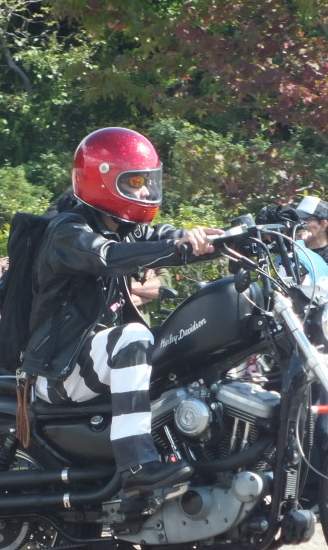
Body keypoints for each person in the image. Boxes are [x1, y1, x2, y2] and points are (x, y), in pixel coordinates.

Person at [27, 127, 222, 494]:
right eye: (135, 182)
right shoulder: (68, 231)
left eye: (148, 182)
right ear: (101, 180)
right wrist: (178, 248)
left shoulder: (126, 228)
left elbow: (164, 235)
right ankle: (136, 465)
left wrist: (222, 239)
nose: (146, 192)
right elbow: (107, 256)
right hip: (60, 369)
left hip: (91, 363)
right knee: (134, 337)